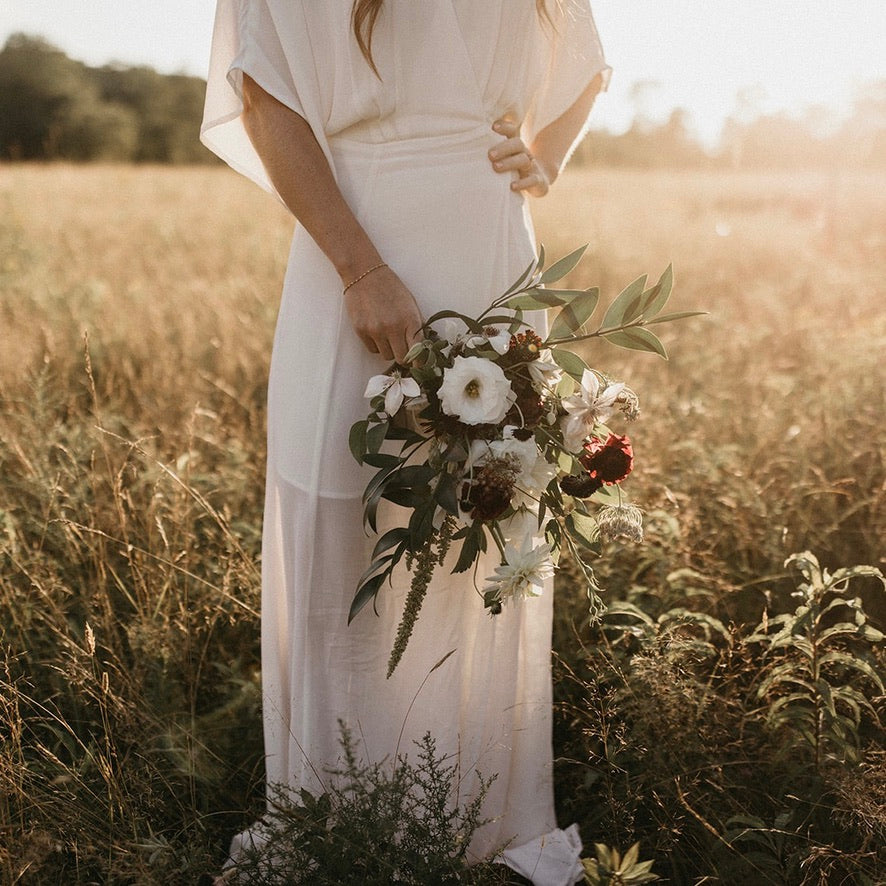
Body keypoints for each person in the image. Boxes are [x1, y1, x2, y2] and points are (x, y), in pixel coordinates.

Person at [201, 2, 609, 883]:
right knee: (339, 513)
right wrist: (361, 269)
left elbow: (587, 60)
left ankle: (478, 816)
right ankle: (334, 813)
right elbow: (268, 97)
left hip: (488, 242)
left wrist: (542, 158)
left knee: (487, 516)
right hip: (357, 231)